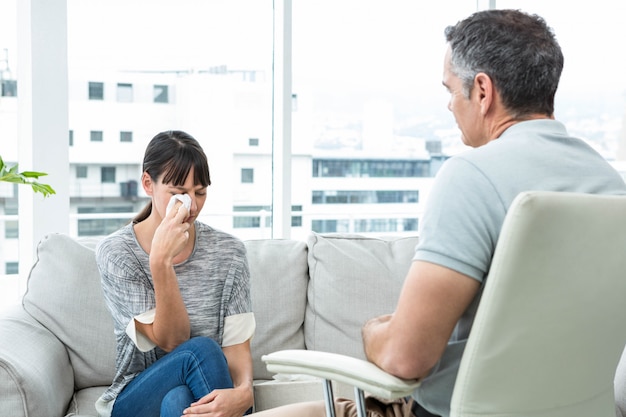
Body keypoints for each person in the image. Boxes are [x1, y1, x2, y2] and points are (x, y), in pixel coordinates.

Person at [250, 8, 626, 417]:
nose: (449, 106)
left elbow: (405, 359)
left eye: (451, 90)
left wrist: (373, 332)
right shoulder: (611, 187)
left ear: (482, 91)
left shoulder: (472, 176)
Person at [95, 130, 255, 417]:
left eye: (200, 192)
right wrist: (160, 262)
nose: (191, 205)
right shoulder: (117, 254)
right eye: (178, 192)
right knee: (197, 352)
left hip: (200, 395)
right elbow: (173, 340)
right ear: (148, 183)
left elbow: (237, 349)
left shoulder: (230, 253)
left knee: (178, 401)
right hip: (135, 398)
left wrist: (244, 394)